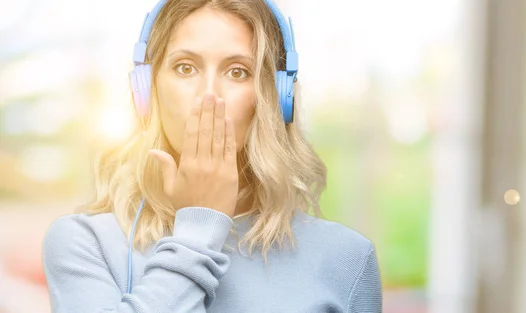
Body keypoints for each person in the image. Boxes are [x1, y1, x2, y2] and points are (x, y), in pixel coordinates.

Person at [41, 0, 383, 312]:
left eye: (238, 72)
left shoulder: (347, 259)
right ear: (146, 91)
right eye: (185, 68)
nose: (208, 96)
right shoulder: (85, 244)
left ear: (278, 99)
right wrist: (199, 230)